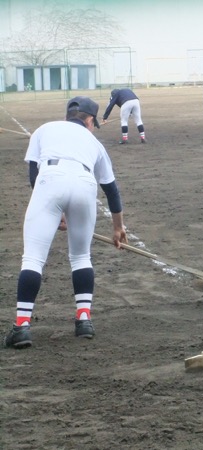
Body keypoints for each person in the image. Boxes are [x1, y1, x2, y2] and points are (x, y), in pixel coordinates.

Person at [3, 97, 128, 349]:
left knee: (33, 259)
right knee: (81, 257)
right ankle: (84, 320)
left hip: (50, 179)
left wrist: (53, 209)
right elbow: (112, 191)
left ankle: (22, 327)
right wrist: (118, 228)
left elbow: (34, 174)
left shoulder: (44, 129)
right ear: (90, 120)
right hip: (84, 185)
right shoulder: (95, 142)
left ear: (68, 115)